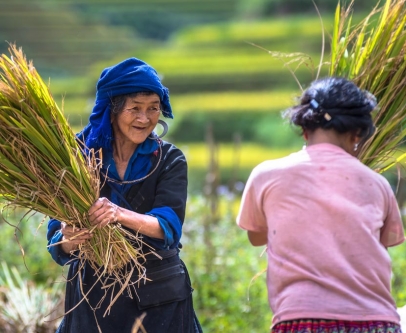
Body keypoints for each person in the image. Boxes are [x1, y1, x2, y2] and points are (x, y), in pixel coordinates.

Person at [237, 77, 405, 333]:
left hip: (301, 322)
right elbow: (379, 243)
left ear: (304, 129)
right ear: (356, 134)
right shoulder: (377, 184)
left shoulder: (266, 175)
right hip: (376, 323)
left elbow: (256, 235)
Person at [47, 58, 203, 333]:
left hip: (159, 299)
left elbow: (167, 227)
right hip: (92, 300)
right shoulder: (77, 157)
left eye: (153, 109)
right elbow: (56, 240)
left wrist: (117, 213)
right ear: (113, 109)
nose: (145, 119)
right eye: (135, 109)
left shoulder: (169, 159)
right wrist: (70, 239)